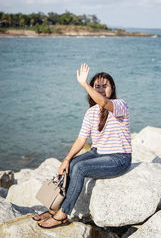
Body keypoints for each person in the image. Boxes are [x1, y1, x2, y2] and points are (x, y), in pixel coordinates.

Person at [33, 63, 132, 229]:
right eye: (97, 86)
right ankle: (55, 208)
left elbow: (104, 102)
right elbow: (81, 140)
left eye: (104, 86)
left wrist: (85, 84)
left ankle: (63, 215)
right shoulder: (91, 112)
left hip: (119, 158)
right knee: (71, 165)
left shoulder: (120, 104)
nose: (100, 90)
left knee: (80, 168)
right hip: (97, 153)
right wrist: (66, 160)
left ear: (112, 88)